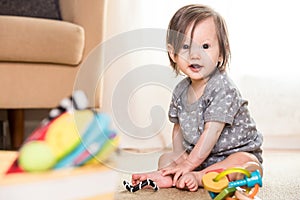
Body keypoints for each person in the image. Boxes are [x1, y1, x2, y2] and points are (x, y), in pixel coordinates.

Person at [131, 4, 263, 192]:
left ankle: (201, 176)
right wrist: (180, 160)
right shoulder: (180, 90)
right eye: (185, 46)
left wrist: (189, 164)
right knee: (166, 159)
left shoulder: (222, 88)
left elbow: (212, 132)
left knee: (246, 163)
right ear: (172, 53)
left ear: (221, 52)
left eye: (205, 46)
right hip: (199, 156)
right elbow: (178, 128)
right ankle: (171, 176)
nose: (195, 54)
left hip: (233, 154)